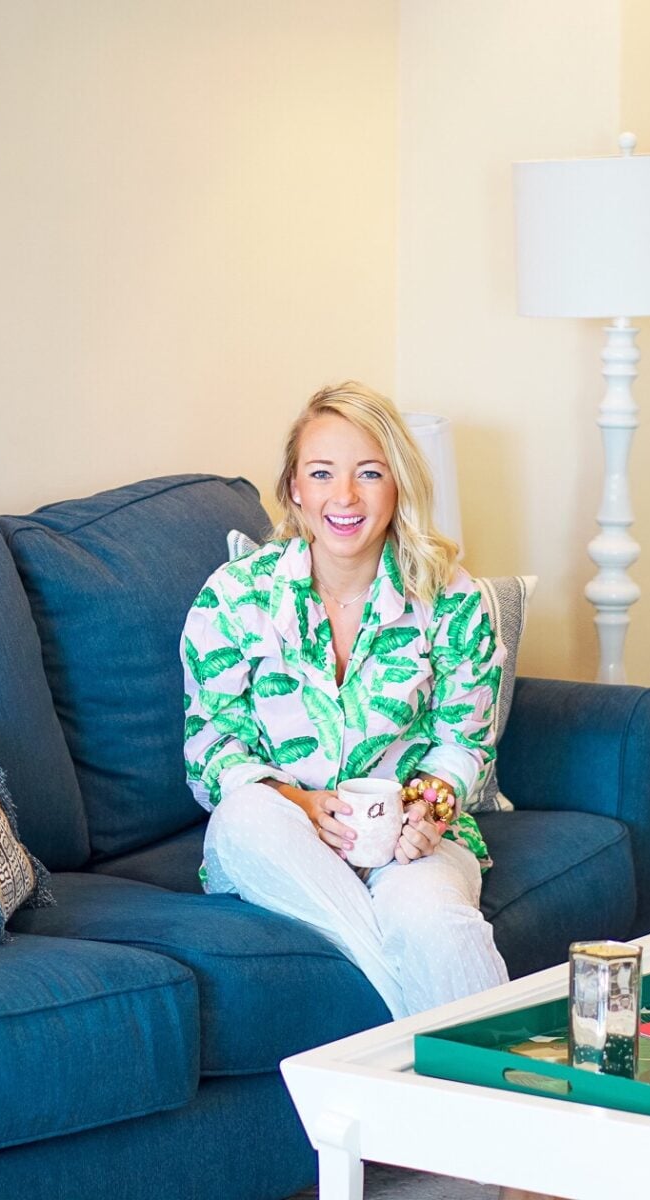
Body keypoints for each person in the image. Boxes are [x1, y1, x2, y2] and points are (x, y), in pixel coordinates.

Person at [180, 381, 510, 1018]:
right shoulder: (233, 598)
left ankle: (503, 1108)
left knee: (437, 923)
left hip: (406, 840)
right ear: (295, 489)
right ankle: (406, 1003)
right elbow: (210, 748)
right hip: (280, 844)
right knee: (244, 817)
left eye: (369, 473)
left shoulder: (451, 597)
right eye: (322, 473)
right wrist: (299, 805)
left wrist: (431, 807)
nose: (345, 497)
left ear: (398, 486)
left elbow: (462, 742)